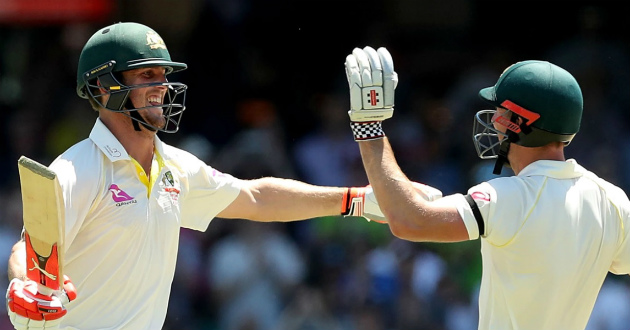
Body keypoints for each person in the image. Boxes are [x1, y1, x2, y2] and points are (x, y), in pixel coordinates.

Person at [4, 22, 442, 330]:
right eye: (147, 75)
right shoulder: (77, 169)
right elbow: (33, 246)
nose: (162, 86)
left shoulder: (175, 166)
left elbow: (254, 198)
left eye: (164, 75)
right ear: (103, 88)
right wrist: (23, 281)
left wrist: (357, 199)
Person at [343, 46, 630, 329]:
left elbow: (410, 221)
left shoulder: (507, 198)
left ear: (518, 123)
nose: (493, 121)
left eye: (499, 111)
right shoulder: (612, 201)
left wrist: (369, 127)